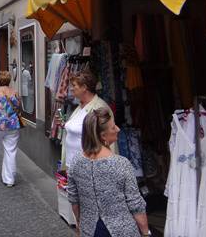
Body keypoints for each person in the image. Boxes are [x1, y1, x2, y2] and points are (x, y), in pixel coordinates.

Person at [67, 108, 150, 237]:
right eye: (113, 127)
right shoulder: (121, 164)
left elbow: (74, 200)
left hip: (90, 230)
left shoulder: (76, 162)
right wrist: (145, 233)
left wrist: (79, 224)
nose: (118, 129)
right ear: (103, 136)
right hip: (122, 231)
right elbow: (136, 205)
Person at [60, 69, 116, 170]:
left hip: (89, 170)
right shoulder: (80, 106)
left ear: (84, 87)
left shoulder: (100, 108)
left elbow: (109, 140)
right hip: (72, 166)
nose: (71, 89)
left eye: (74, 85)